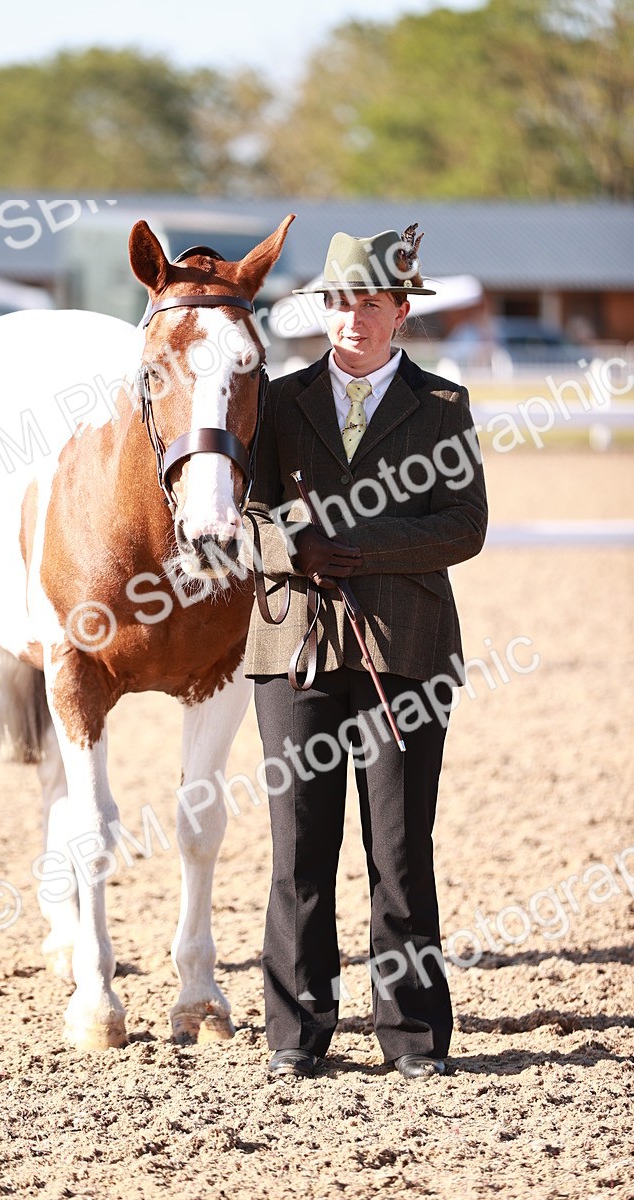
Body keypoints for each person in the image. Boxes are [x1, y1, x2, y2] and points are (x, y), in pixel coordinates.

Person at [244, 225, 488, 1081]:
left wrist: (357, 545)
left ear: (400, 314)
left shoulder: (445, 405)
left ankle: (414, 1036)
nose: (354, 317)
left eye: (372, 303)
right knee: (300, 848)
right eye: (340, 302)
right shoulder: (275, 401)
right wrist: (290, 550)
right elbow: (236, 521)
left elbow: (466, 527)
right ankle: (296, 1035)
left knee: (398, 846)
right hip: (293, 649)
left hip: (406, 650)